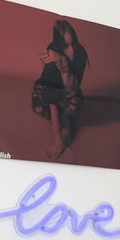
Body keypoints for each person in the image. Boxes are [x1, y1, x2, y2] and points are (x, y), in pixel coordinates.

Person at [31, 19, 89, 160]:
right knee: (39, 105)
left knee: (75, 101)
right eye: (66, 46)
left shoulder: (80, 53)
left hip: (68, 89)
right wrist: (58, 141)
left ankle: (65, 116)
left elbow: (73, 86)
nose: (72, 50)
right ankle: (56, 119)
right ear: (58, 46)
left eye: (73, 43)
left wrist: (63, 65)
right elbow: (51, 95)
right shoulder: (52, 56)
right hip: (48, 91)